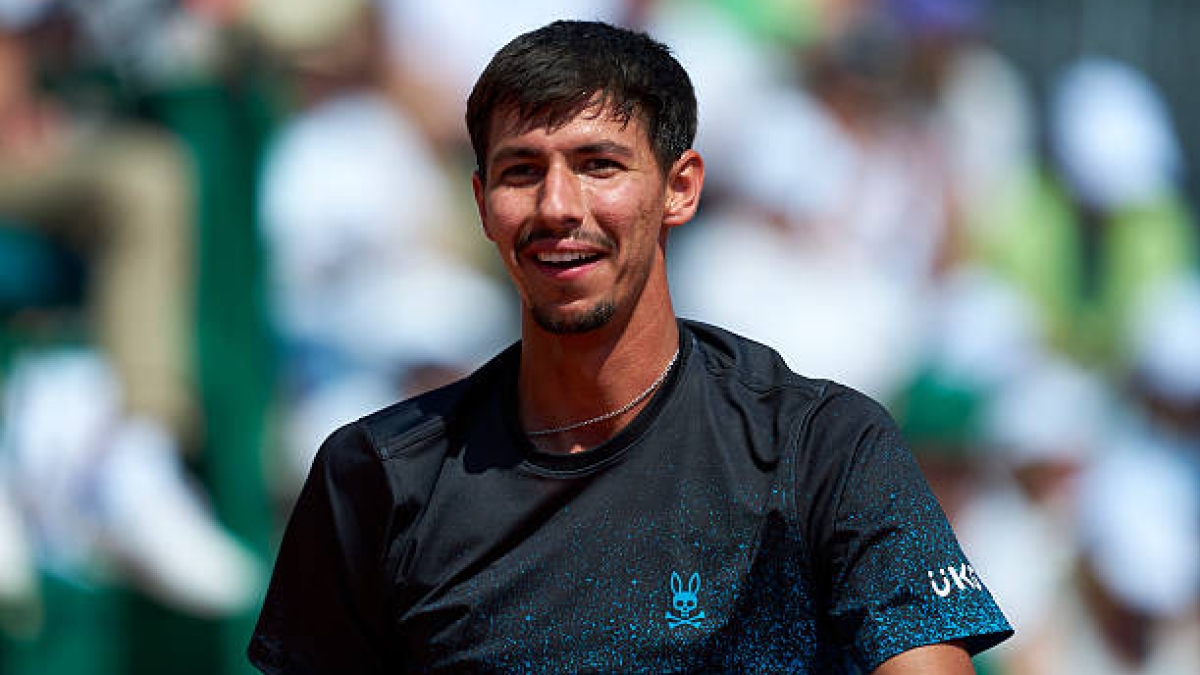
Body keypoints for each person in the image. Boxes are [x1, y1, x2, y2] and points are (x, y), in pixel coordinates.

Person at [248, 19, 1012, 674]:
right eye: (522, 171)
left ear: (681, 187)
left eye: (599, 165)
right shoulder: (378, 476)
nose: (557, 206)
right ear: (482, 204)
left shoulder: (824, 449)